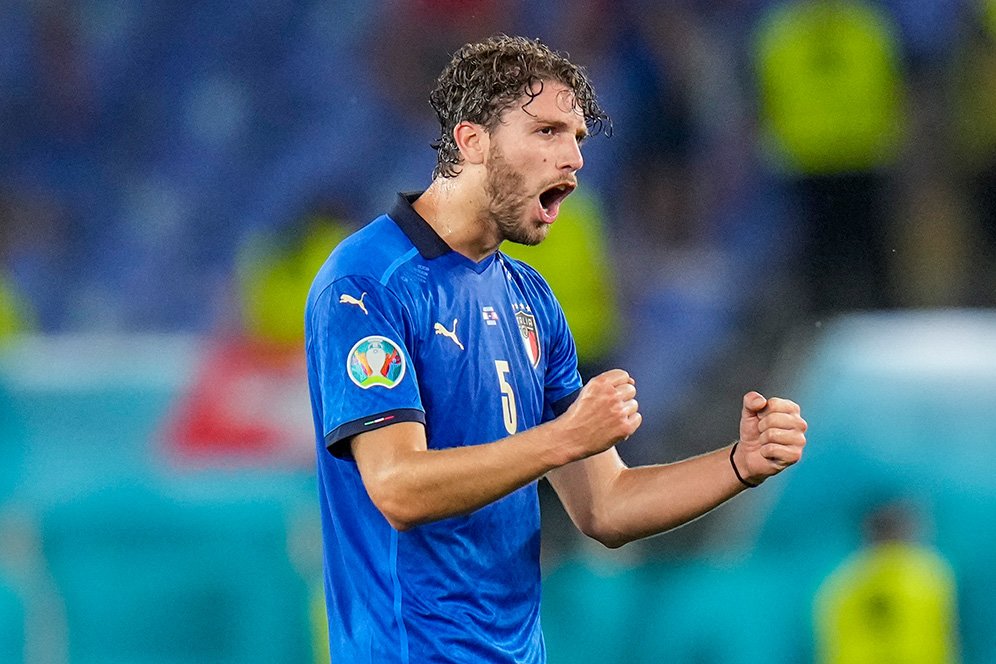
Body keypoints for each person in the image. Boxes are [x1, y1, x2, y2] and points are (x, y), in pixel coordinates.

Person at [304, 35, 808, 663]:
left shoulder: (529, 297)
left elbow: (606, 505)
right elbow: (398, 489)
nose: (571, 157)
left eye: (577, 138)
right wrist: (565, 437)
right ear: (472, 142)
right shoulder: (368, 280)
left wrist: (738, 463)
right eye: (546, 132)